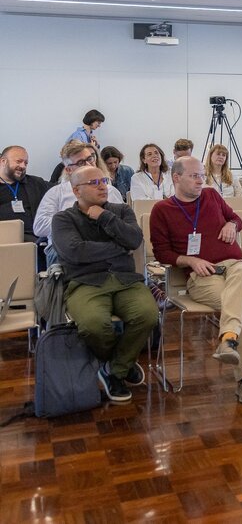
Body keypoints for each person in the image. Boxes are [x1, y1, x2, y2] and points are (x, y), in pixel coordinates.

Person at [150, 156, 242, 405]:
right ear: (176, 177)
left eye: (202, 174)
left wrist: (233, 224)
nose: (201, 180)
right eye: (194, 175)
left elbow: (237, 219)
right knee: (238, 304)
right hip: (201, 276)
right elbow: (161, 253)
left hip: (234, 266)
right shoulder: (162, 210)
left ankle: (229, 342)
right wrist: (190, 261)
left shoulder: (212, 196)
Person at [50, 165, 158, 403]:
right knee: (93, 325)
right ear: (76, 190)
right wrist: (118, 249)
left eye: (103, 181)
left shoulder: (120, 211)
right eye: (94, 183)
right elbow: (75, 252)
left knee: (148, 315)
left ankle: (115, 371)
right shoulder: (63, 219)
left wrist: (104, 216)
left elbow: (134, 240)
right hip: (85, 283)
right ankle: (121, 363)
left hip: (126, 280)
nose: (102, 186)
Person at [35, 142, 125, 266]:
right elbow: (39, 227)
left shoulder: (110, 191)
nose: (89, 164)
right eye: (81, 163)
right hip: (66, 247)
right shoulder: (56, 192)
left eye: (90, 159)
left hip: (102, 244)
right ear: (68, 170)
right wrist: (75, 223)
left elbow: (122, 224)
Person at [0, 145, 52, 242]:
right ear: (3, 161)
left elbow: (59, 190)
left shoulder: (36, 183)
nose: (23, 166)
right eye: (18, 161)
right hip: (4, 239)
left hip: (36, 238)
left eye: (26, 163)